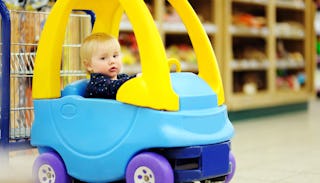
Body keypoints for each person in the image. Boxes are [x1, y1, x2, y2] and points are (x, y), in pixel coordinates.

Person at [80, 32, 137, 99]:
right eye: (103, 58)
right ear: (89, 65)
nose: (112, 61)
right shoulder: (96, 84)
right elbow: (112, 87)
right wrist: (135, 77)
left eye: (115, 56)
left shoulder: (121, 78)